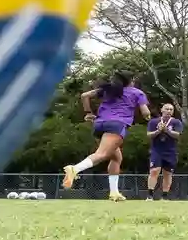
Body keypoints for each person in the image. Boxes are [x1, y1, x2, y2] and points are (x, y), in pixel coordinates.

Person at [62, 71, 150, 200]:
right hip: (117, 125)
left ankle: (114, 192)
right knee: (101, 154)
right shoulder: (137, 92)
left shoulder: (109, 89)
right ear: (131, 80)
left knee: (116, 158)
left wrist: (88, 112)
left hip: (99, 124)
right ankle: (74, 169)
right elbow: (146, 112)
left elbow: (84, 95)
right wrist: (148, 117)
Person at [146, 102, 183, 200]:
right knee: (154, 171)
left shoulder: (176, 122)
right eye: (167, 109)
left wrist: (167, 131)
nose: (169, 111)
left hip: (170, 151)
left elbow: (178, 135)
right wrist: (158, 131)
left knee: (168, 173)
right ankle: (150, 195)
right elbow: (149, 135)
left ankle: (165, 196)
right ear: (162, 110)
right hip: (157, 150)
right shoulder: (154, 122)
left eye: (171, 109)